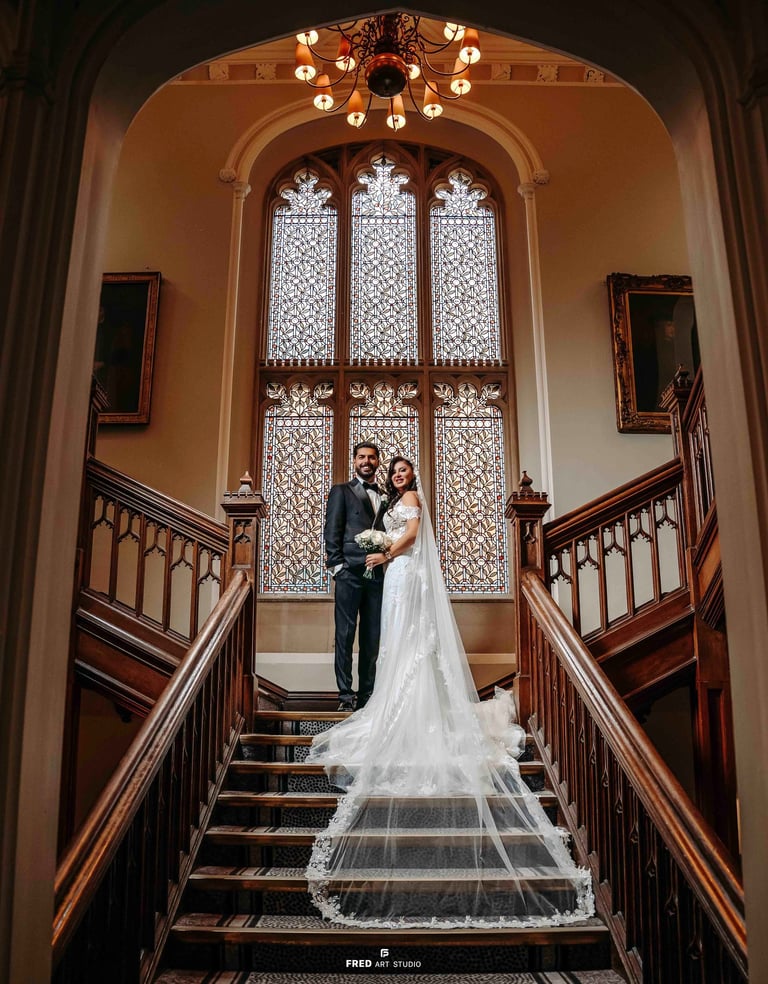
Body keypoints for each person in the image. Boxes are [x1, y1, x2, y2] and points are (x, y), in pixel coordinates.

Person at [307, 456, 595, 929]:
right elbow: (354, 531)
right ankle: (375, 698)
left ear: (411, 476)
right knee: (387, 643)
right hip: (389, 576)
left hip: (402, 572)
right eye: (393, 471)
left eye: (402, 470)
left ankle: (413, 709)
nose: (396, 475)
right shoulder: (383, 499)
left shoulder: (411, 499)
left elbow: (412, 536)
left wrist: (385, 554)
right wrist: (365, 559)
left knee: (409, 643)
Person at [324, 442, 386, 711]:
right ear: (354, 461)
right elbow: (332, 529)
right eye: (361, 457)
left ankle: (367, 696)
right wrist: (337, 566)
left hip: (377, 574)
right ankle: (346, 696)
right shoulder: (341, 491)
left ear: (378, 462)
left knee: (372, 636)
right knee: (345, 634)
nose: (366, 461)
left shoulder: (386, 495)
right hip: (349, 571)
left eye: (371, 457)